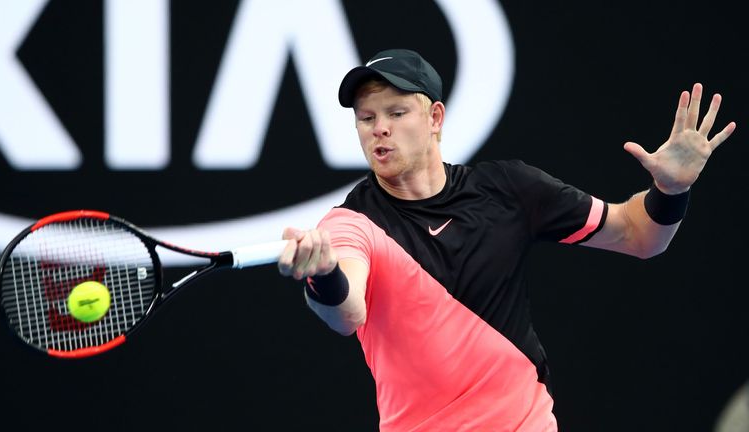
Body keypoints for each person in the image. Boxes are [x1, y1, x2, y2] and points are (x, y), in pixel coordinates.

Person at [277, 48, 736, 431]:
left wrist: (671, 190)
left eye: (396, 113)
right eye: (366, 118)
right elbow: (347, 313)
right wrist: (323, 275)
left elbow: (639, 235)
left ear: (435, 117)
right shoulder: (351, 223)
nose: (379, 128)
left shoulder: (508, 189)